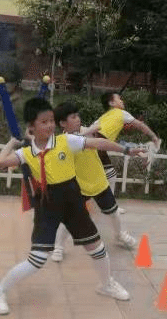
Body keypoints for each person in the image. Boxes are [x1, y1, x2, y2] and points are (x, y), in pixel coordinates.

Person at [0, 98, 146, 316]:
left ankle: (106, 284)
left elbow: (98, 143)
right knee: (38, 260)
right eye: (44, 122)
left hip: (73, 201)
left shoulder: (66, 141)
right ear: (32, 126)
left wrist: (126, 150)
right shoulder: (28, 153)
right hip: (47, 206)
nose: (50, 125)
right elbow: (0, 162)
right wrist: (13, 142)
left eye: (51, 121)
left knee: (97, 248)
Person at [50, 102, 137, 263]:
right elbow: (75, 141)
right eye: (73, 117)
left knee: (113, 212)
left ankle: (119, 235)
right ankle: (58, 247)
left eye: (78, 115)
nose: (78, 119)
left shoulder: (88, 131)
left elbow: (103, 142)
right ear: (62, 123)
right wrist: (90, 131)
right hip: (79, 186)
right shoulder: (62, 140)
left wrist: (128, 149)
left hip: (99, 181)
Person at [94, 92, 160, 213]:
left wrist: (139, 154)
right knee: (110, 175)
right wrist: (154, 137)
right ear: (111, 103)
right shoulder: (121, 113)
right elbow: (140, 125)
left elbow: (117, 143)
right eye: (119, 99)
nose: (122, 101)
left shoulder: (105, 117)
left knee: (106, 175)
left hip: (93, 144)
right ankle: (109, 206)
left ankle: (106, 205)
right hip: (97, 146)